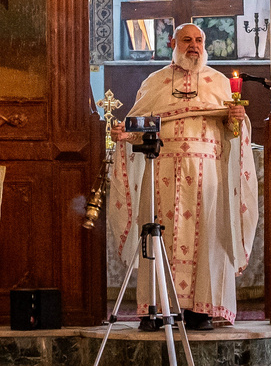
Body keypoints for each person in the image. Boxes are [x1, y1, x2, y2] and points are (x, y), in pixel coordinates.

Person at [106, 24, 257, 331]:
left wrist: (237, 120)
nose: (194, 45)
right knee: (156, 239)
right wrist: (124, 134)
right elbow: (139, 130)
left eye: (199, 40)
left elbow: (234, 134)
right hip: (161, 172)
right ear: (172, 42)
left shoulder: (219, 82)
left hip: (209, 178)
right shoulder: (155, 82)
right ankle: (156, 309)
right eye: (187, 40)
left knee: (209, 240)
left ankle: (200, 312)